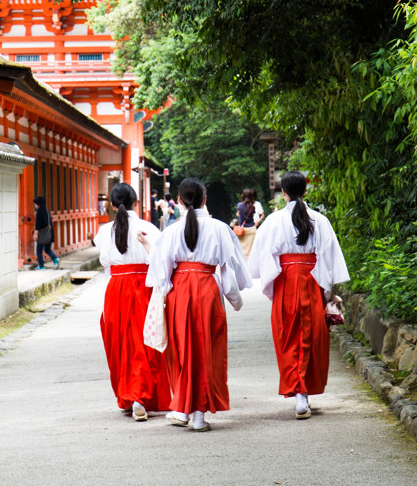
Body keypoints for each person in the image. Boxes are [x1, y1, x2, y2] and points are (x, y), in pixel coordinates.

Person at [146, 177, 252, 432]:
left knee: (181, 353)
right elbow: (229, 270)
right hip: (207, 290)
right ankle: (199, 416)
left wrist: (172, 293)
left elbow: (161, 274)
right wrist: (235, 300)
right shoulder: (219, 228)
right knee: (207, 351)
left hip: (179, 293)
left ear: (180, 202)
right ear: (205, 199)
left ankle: (182, 408)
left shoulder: (171, 231)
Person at [250, 171, 350, 419]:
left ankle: (299, 395)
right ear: (305, 190)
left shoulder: (273, 222)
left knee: (288, 337)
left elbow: (262, 261)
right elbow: (328, 260)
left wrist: (273, 285)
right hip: (313, 280)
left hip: (285, 282)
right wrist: (327, 293)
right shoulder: (319, 220)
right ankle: (303, 394)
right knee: (310, 337)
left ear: (282, 193)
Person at [93, 183, 171, 421]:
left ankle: (130, 395)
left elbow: (107, 266)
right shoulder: (147, 228)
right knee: (144, 341)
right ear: (137, 202)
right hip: (142, 287)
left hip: (116, 288)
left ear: (112, 205)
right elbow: (159, 260)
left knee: (120, 343)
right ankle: (141, 395)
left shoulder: (105, 231)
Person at [33, 196, 59, 270]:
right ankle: (55, 259)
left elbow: (38, 225)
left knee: (38, 250)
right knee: (47, 249)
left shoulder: (39, 212)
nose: (35, 205)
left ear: (38, 204)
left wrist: (35, 234)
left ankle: (41, 266)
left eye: (35, 203)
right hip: (49, 234)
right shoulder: (47, 211)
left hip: (42, 235)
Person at [233, 188, 259, 257]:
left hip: (242, 230)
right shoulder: (252, 207)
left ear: (243, 196)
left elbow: (238, 214)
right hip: (251, 229)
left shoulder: (239, 205)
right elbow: (252, 216)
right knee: (250, 250)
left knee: (241, 250)